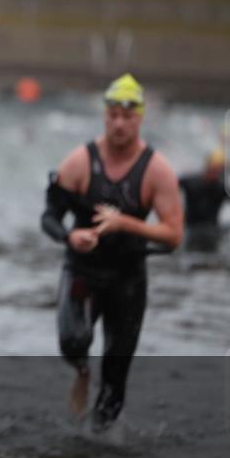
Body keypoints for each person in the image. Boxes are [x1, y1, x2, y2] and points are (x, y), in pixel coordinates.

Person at [40, 74, 182, 431]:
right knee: (73, 343)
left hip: (128, 279)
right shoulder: (79, 162)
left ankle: (102, 453)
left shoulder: (156, 171)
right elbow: (49, 217)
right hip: (82, 271)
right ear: (105, 116)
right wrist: (71, 236)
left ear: (140, 118)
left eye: (128, 116)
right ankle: (82, 371)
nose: (119, 124)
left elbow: (173, 235)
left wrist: (126, 224)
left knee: (116, 376)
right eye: (113, 115)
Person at [178, 148, 230, 252]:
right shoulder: (190, 182)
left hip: (212, 229)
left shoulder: (223, 188)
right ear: (207, 166)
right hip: (190, 228)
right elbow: (168, 189)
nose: (215, 172)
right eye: (213, 168)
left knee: (229, 229)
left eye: (219, 169)